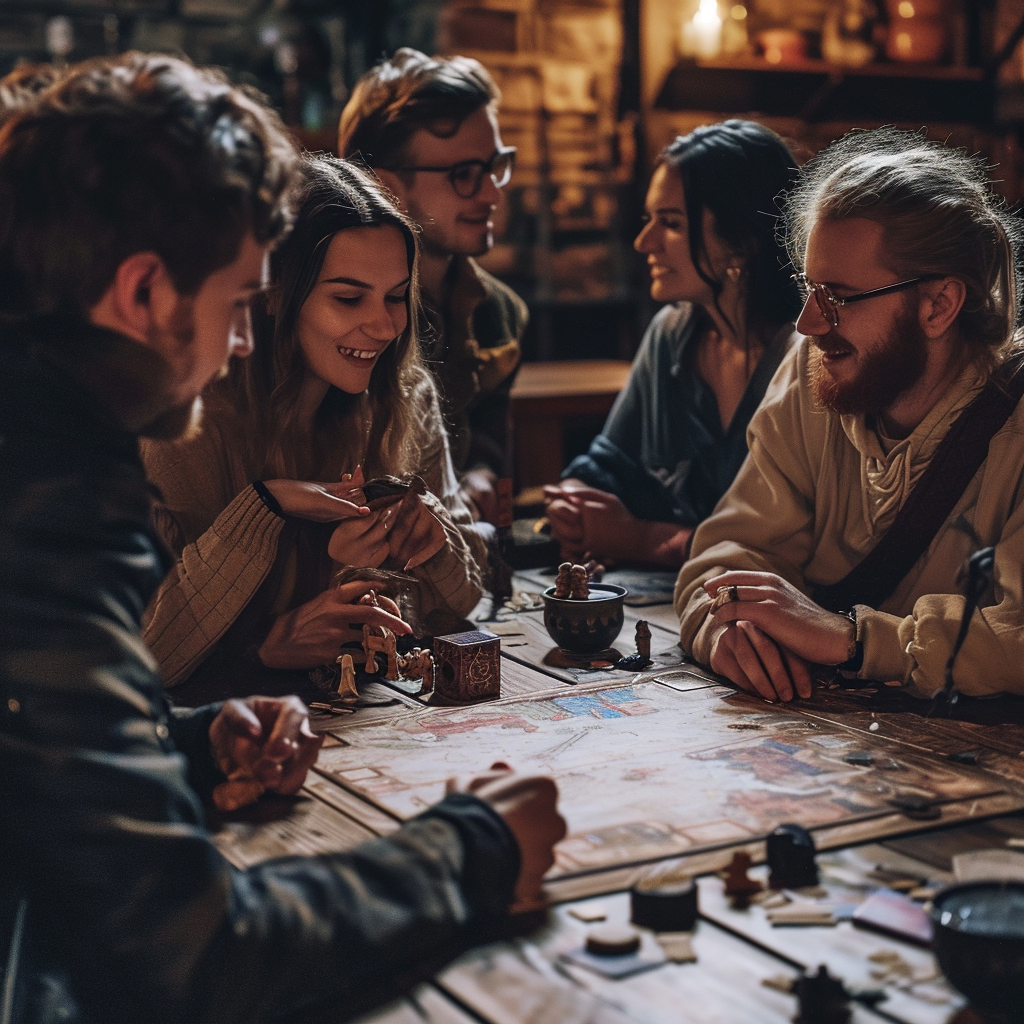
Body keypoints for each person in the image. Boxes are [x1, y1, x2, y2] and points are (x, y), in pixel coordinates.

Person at [0, 54, 565, 1024]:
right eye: (236, 304)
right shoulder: (44, 494)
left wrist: (182, 742)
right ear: (142, 292)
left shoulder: (39, 429)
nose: (245, 343)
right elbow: (199, 960)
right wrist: (471, 847)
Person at [675, 128, 1024, 702]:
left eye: (838, 297)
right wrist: (726, 627)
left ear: (939, 305)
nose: (809, 324)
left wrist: (855, 641)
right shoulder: (818, 367)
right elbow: (727, 555)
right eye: (809, 289)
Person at [142, 154, 487, 700]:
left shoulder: (404, 394)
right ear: (274, 293)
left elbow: (467, 602)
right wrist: (263, 510)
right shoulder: (186, 421)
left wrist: (430, 540)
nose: (383, 326)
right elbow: (145, 656)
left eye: (396, 297)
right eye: (348, 298)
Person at [544, 121, 801, 567]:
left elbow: (786, 548)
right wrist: (575, 504)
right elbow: (608, 469)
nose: (645, 242)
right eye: (649, 220)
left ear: (741, 241)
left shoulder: (805, 356)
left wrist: (641, 538)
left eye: (672, 224)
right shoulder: (670, 336)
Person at [338, 47, 527, 524]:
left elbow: (486, 439)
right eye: (463, 174)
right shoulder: (348, 317)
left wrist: (483, 472)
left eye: (495, 165)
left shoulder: (499, 313)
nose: (490, 193)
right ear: (385, 188)